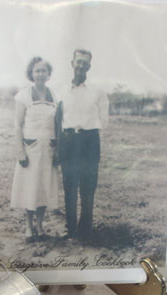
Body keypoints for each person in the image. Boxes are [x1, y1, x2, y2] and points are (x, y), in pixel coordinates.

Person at [56, 49, 109, 240]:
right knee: (69, 186)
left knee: (88, 186)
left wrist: (89, 130)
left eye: (85, 63)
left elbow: (104, 118)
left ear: (89, 66)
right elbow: (58, 117)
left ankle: (86, 229)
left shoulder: (97, 91)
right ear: (72, 63)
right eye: (78, 61)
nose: (81, 65)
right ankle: (70, 229)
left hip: (89, 142)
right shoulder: (61, 89)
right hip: (69, 142)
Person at [10, 57, 59, 243]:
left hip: (48, 148)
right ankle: (29, 227)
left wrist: (58, 150)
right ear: (31, 73)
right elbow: (17, 125)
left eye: (44, 71)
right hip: (30, 149)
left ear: (48, 74)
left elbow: (57, 124)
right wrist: (20, 151)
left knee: (43, 188)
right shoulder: (23, 96)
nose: (40, 74)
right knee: (30, 188)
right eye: (37, 71)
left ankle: (40, 225)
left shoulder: (55, 95)